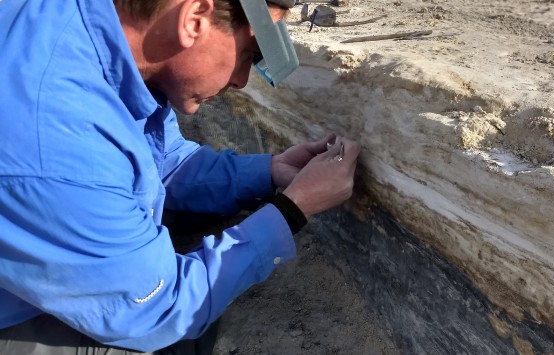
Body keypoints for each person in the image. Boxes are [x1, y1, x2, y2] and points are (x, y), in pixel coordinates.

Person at [0, 0, 360, 353]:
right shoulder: (59, 145)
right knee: (179, 338)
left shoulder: (96, 38)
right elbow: (158, 310)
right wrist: (292, 210)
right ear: (194, 19)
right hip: (14, 315)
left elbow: (161, 160)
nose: (241, 81)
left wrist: (269, 171)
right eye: (248, 53)